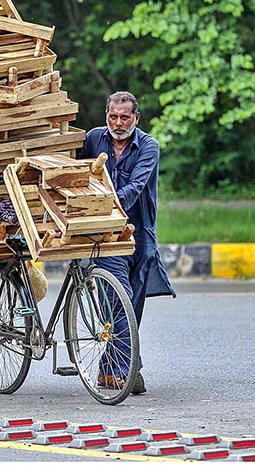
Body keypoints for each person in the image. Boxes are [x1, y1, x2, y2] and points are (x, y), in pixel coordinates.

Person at [77, 90, 176, 395]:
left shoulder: (148, 146)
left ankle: (109, 371)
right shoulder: (93, 139)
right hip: (106, 235)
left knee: (131, 304)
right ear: (105, 115)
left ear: (137, 118)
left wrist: (106, 202)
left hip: (139, 234)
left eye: (124, 117)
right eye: (112, 116)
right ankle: (130, 368)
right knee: (118, 299)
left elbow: (136, 186)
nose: (118, 123)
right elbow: (75, 172)